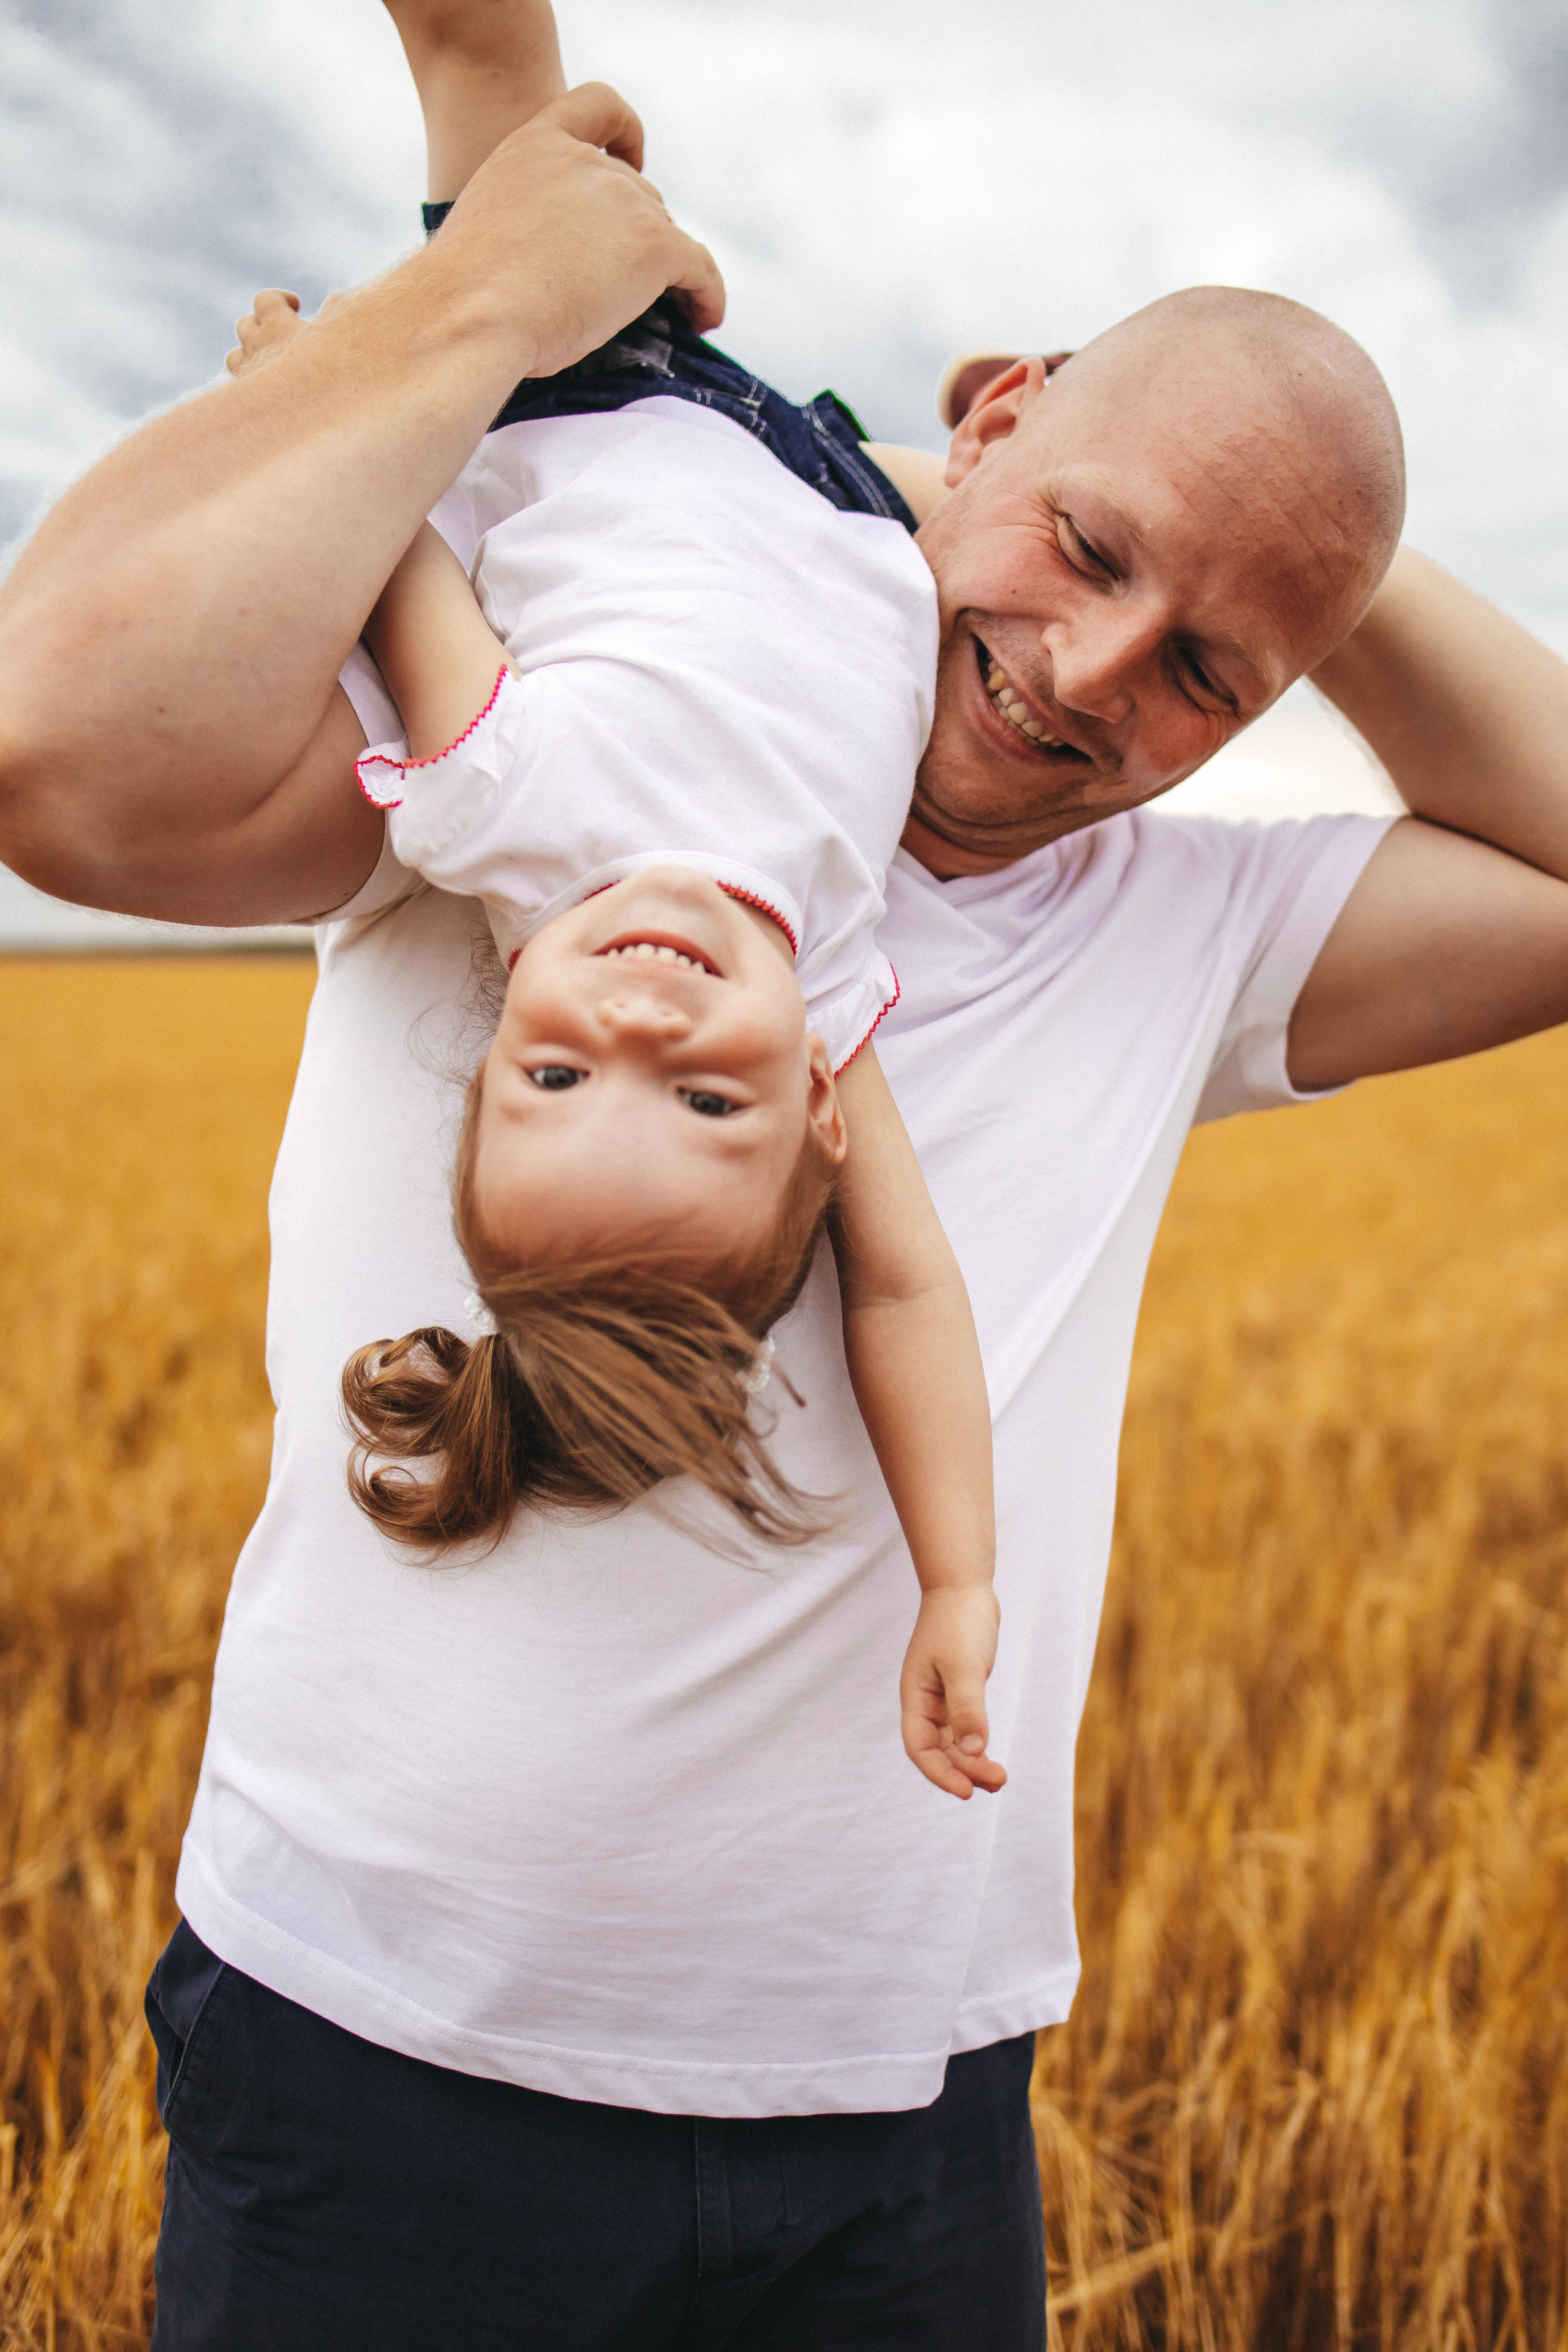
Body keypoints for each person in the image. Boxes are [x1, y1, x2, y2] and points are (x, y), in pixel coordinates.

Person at [1, 2, 1566, 2343]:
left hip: (902, 2113)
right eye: (1089, 542)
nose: (1088, 675)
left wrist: (1285, 535)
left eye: (1209, 675)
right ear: (992, 407)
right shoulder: (583, 712)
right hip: (385, 2066)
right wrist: (460, 310)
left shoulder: (1186, 930)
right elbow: (45, 744)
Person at [299, 384, 1001, 1798]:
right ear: (817, 1104)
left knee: (550, 163)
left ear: (489, 1059)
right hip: (860, 506)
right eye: (704, 1106)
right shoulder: (825, 989)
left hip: (611, 391)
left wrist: (311, 389)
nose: (640, 1017)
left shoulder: (495, 800)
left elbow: (394, 546)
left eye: (555, 1074)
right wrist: (957, 1580)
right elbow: (905, 1288)